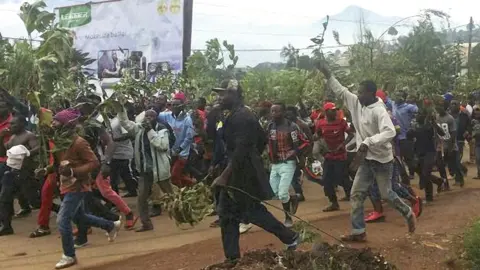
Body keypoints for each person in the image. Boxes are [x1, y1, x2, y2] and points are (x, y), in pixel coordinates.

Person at [317, 61, 416, 242]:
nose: (358, 94)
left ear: (370, 93)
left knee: (387, 194)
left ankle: (408, 212)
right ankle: (358, 231)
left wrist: (369, 141)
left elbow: (390, 132)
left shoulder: (379, 111)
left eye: (361, 92)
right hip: (366, 160)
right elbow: (341, 91)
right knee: (356, 194)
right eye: (358, 91)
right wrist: (328, 74)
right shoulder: (356, 103)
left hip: (382, 160)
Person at [211, 79, 300, 267]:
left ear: (234, 94)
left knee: (252, 211)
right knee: (227, 213)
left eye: (223, 93)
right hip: (237, 169)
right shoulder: (233, 115)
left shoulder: (243, 117)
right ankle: (232, 258)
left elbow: (242, 149)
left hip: (242, 174)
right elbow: (259, 140)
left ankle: (290, 237)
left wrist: (226, 174)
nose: (220, 97)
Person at [53, 109, 121, 269]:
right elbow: (61, 163)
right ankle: (110, 225)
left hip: (77, 185)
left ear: (66, 125)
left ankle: (69, 255)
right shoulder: (60, 143)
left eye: (56, 121)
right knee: (81, 217)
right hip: (65, 185)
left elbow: (94, 163)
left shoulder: (79, 142)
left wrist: (73, 172)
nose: (52, 124)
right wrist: (49, 169)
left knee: (62, 220)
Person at [115, 104, 174, 232]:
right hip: (144, 170)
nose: (148, 118)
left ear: (156, 118)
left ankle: (184, 215)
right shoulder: (139, 128)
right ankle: (146, 223)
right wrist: (120, 109)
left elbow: (162, 145)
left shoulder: (162, 129)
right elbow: (126, 123)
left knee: (170, 195)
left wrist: (150, 132)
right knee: (141, 197)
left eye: (151, 116)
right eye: (146, 116)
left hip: (159, 170)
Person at [267, 102, 309, 227]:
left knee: (282, 193)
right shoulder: (271, 126)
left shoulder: (292, 127)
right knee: (273, 191)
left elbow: (305, 142)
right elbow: (268, 141)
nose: (274, 114)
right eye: (272, 111)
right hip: (275, 162)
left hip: (288, 163)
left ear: (283, 112)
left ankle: (288, 218)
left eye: (277, 111)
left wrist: (294, 152)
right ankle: (293, 198)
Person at [0, 116, 39, 235]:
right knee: (4, 199)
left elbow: (37, 148)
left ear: (22, 124)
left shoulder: (29, 135)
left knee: (36, 202)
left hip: (25, 173)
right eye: (10, 124)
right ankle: (6, 227)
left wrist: (25, 153)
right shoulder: (12, 137)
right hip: (12, 172)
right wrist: (1, 137)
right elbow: (2, 152)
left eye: (14, 124)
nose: (10, 126)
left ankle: (66, 213)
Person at [315, 102, 354, 212]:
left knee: (342, 178)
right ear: (326, 112)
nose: (336, 111)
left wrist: (343, 145)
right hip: (328, 156)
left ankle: (354, 197)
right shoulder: (320, 123)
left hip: (341, 156)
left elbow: (351, 134)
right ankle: (334, 203)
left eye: (336, 109)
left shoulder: (341, 122)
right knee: (326, 181)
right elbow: (318, 135)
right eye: (333, 110)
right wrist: (320, 144)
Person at [158, 93, 196, 188]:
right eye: (172, 105)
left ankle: (181, 193)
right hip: (170, 153)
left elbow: (189, 137)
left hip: (182, 153)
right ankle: (191, 186)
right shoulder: (167, 116)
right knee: (174, 174)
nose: (174, 107)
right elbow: (155, 114)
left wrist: (180, 149)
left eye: (176, 105)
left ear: (182, 106)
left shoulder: (187, 119)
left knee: (174, 176)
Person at [285, 105, 312, 202]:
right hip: (293, 155)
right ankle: (299, 194)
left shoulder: (301, 125)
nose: (288, 116)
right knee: (294, 175)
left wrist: (306, 155)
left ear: (294, 114)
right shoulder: (287, 125)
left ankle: (328, 183)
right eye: (286, 115)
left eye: (290, 115)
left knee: (311, 176)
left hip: (301, 153)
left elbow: (309, 140)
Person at [436, 98, 464, 187]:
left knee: (454, 165)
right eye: (438, 106)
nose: (438, 108)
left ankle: (460, 178)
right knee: (440, 165)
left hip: (451, 145)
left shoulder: (450, 118)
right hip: (440, 145)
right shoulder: (436, 117)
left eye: (441, 106)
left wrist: (451, 148)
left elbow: (453, 134)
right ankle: (445, 183)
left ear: (445, 107)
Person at [392, 89, 418, 180]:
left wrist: (414, 125)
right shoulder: (393, 105)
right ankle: (404, 178)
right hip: (396, 138)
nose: (397, 97)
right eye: (396, 95)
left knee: (409, 159)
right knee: (398, 159)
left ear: (404, 97)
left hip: (406, 137)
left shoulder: (410, 107)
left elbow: (420, 114)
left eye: (399, 95)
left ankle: (415, 173)